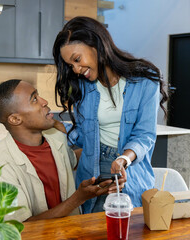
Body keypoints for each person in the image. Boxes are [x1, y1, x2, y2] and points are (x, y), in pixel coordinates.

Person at [52, 16, 168, 213]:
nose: (77, 70)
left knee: (130, 229)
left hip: (130, 168)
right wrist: (56, 127)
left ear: (96, 44)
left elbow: (145, 134)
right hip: (92, 172)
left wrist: (124, 158)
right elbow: (82, 136)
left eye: (77, 59)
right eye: (71, 65)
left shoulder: (145, 79)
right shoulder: (82, 86)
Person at [0, 79, 124, 222]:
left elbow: (71, 159)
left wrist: (111, 155)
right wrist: (79, 198)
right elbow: (19, 228)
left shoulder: (55, 136)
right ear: (15, 119)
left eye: (39, 95)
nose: (44, 101)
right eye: (34, 99)